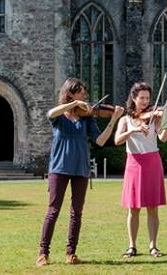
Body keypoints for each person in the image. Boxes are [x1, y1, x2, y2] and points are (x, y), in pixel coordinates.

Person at [36, 78, 124, 267]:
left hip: (80, 169)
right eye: (81, 93)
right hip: (59, 168)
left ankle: (71, 253)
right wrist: (73, 104)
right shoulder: (59, 116)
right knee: (53, 211)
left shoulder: (86, 118)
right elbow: (50, 113)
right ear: (71, 93)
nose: (85, 96)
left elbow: (100, 141)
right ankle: (43, 253)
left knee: (77, 213)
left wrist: (114, 120)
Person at [114, 81, 167, 258]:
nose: (146, 101)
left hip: (153, 161)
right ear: (133, 98)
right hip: (134, 163)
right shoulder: (125, 119)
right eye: (142, 98)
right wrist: (134, 130)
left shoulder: (155, 117)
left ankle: (153, 246)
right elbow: (117, 140)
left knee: (153, 207)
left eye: (148, 98)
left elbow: (162, 138)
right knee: (133, 208)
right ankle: (132, 246)